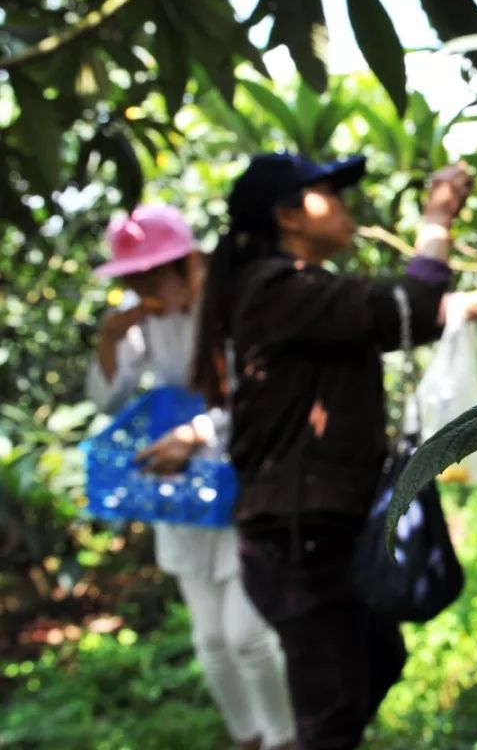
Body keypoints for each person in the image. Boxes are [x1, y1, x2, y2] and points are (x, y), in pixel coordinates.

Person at [189, 153, 477, 749]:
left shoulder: (293, 291)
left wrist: (463, 306)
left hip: (316, 531)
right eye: (329, 193)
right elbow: (406, 310)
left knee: (373, 663)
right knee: (332, 710)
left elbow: (385, 319)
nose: (346, 206)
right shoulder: (276, 287)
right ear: (289, 215)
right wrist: (437, 218)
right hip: (298, 541)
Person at [87, 204, 294, 750]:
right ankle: (248, 736)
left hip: (243, 483)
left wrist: (198, 434)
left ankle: (285, 738)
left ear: (188, 264)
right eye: (132, 278)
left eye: (149, 275)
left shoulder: (234, 304)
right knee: (210, 641)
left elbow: (260, 395)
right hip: (183, 498)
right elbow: (111, 400)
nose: (140, 288)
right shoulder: (142, 316)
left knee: (247, 636)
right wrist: (110, 342)